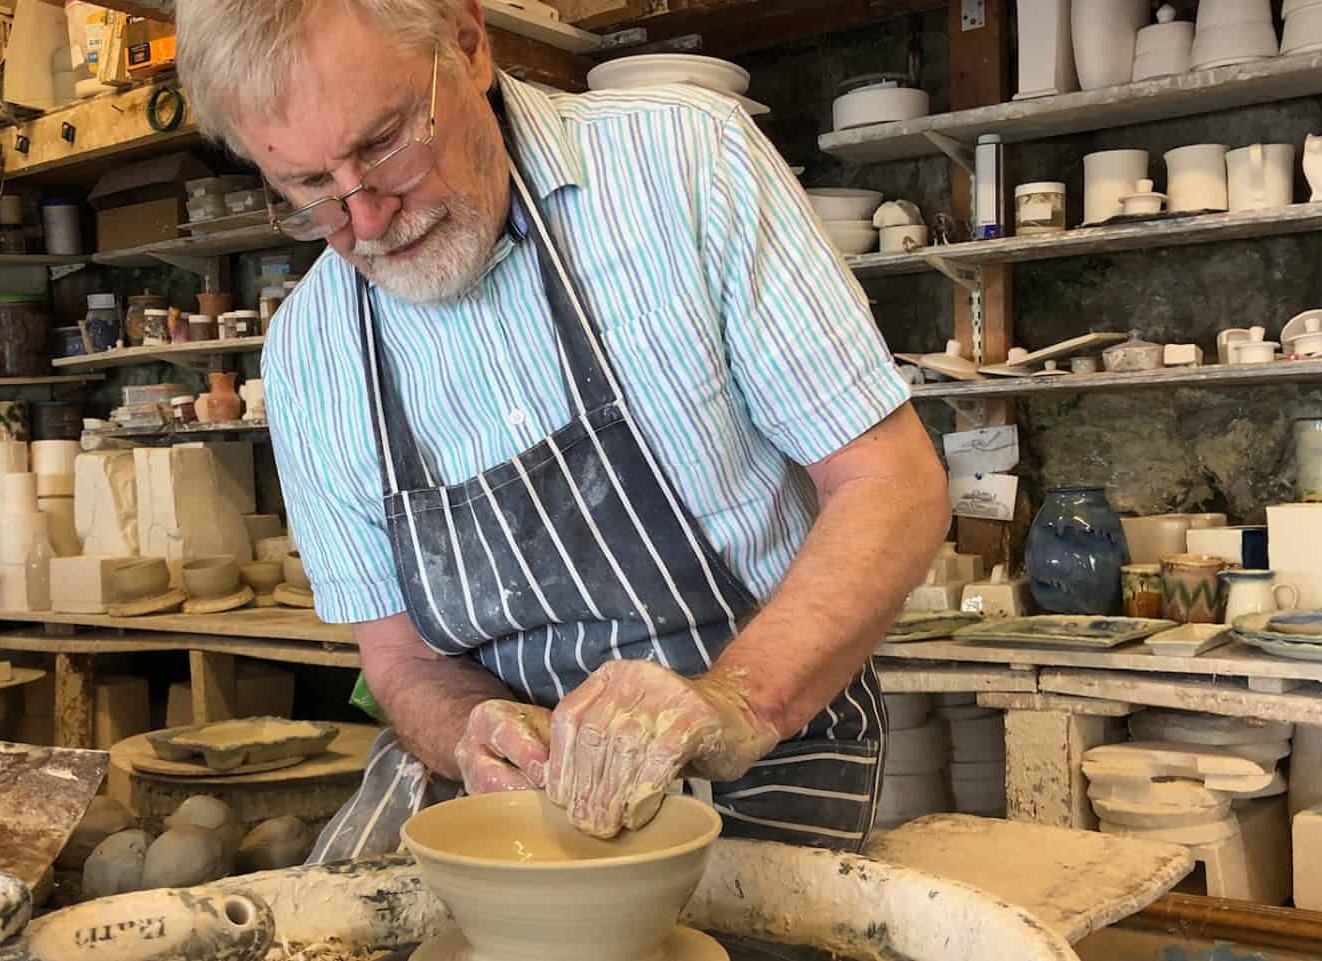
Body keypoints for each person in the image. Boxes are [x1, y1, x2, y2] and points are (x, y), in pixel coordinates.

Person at [174, 0, 950, 860]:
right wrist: (469, 729)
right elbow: (397, 659)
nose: (366, 221)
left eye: (385, 142)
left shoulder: (687, 162)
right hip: (516, 812)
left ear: (466, 44)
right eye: (312, 189)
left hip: (766, 762)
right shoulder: (309, 350)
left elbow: (892, 483)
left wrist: (739, 698)